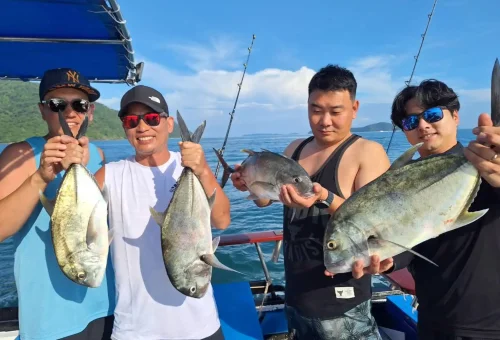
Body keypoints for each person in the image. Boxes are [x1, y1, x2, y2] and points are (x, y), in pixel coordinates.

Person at [230, 64, 391, 339]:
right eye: (316, 110)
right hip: (296, 292)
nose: (324, 121)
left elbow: (375, 224)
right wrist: (250, 187)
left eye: (335, 111)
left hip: (342, 299)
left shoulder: (368, 153)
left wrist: (324, 197)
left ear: (354, 108)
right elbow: (268, 201)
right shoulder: (295, 149)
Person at [353, 79, 500, 340]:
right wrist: (388, 260)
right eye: (411, 122)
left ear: (455, 116)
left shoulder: (489, 169)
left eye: (432, 114)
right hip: (432, 319)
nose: (422, 125)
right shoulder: (401, 183)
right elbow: (410, 243)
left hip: (489, 326)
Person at [92, 85, 230, 340]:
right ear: (125, 128)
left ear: (168, 124)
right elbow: (73, 216)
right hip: (135, 331)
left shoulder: (192, 166)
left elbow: (222, 219)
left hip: (200, 326)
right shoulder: (110, 174)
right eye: (132, 121)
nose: (142, 127)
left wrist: (202, 170)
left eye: (152, 118)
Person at [0, 68, 115, 339]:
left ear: (90, 112)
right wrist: (42, 176)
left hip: (105, 302)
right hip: (51, 317)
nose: (70, 112)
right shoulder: (21, 153)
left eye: (79, 104)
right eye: (57, 104)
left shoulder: (97, 154)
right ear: (42, 110)